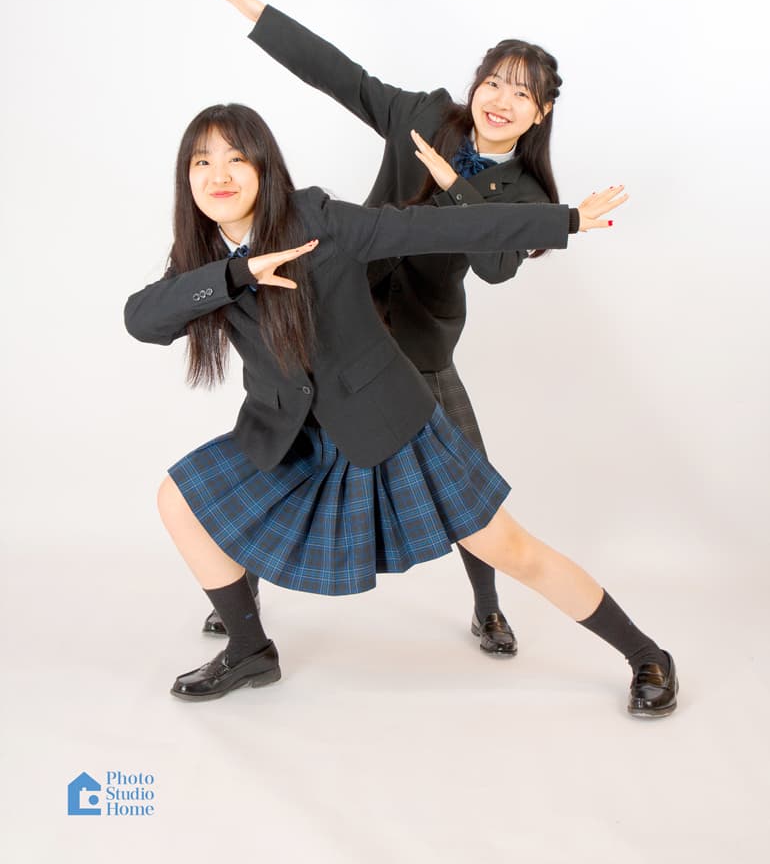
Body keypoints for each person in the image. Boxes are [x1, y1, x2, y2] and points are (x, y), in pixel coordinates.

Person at [124, 101, 677, 718]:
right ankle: (250, 650)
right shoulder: (202, 255)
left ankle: (647, 655)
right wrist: (237, 273)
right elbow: (141, 320)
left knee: (512, 549)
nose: (218, 175)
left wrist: (564, 220)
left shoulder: (318, 219)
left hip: (386, 422)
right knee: (179, 500)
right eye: (202, 162)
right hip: (288, 434)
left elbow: (438, 230)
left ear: (263, 168)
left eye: (235, 159)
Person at [211, 0, 566, 657]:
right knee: (281, 454)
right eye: (494, 82)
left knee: (468, 477)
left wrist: (455, 183)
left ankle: (488, 608)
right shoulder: (423, 116)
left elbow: (496, 266)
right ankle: (241, 595)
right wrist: (264, 20)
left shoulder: (526, 193)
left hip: (422, 343)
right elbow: (345, 79)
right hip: (340, 319)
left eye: (522, 93)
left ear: (540, 112)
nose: (501, 100)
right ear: (476, 84)